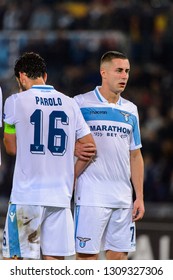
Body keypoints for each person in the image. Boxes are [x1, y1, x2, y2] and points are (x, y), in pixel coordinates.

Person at [2, 52, 96, 260]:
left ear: (22, 76)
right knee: (54, 263)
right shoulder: (70, 103)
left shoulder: (14, 101)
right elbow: (90, 147)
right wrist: (71, 172)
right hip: (60, 197)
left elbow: (11, 147)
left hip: (27, 196)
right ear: (45, 76)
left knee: (15, 262)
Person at [74, 50, 145, 260]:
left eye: (127, 71)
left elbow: (135, 155)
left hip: (123, 197)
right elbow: (64, 142)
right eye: (119, 71)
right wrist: (73, 149)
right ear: (103, 72)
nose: (124, 76)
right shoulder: (80, 103)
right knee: (87, 259)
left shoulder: (131, 110)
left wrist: (139, 196)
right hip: (90, 195)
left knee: (118, 258)